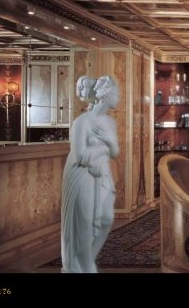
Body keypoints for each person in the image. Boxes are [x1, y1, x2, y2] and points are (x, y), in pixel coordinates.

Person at [61, 76, 120, 273]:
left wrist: (109, 143)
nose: (118, 96)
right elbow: (80, 156)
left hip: (102, 173)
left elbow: (115, 152)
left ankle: (86, 261)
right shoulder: (81, 123)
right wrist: (104, 150)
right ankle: (85, 267)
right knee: (84, 224)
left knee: (106, 219)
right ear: (105, 95)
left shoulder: (109, 122)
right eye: (116, 92)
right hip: (82, 175)